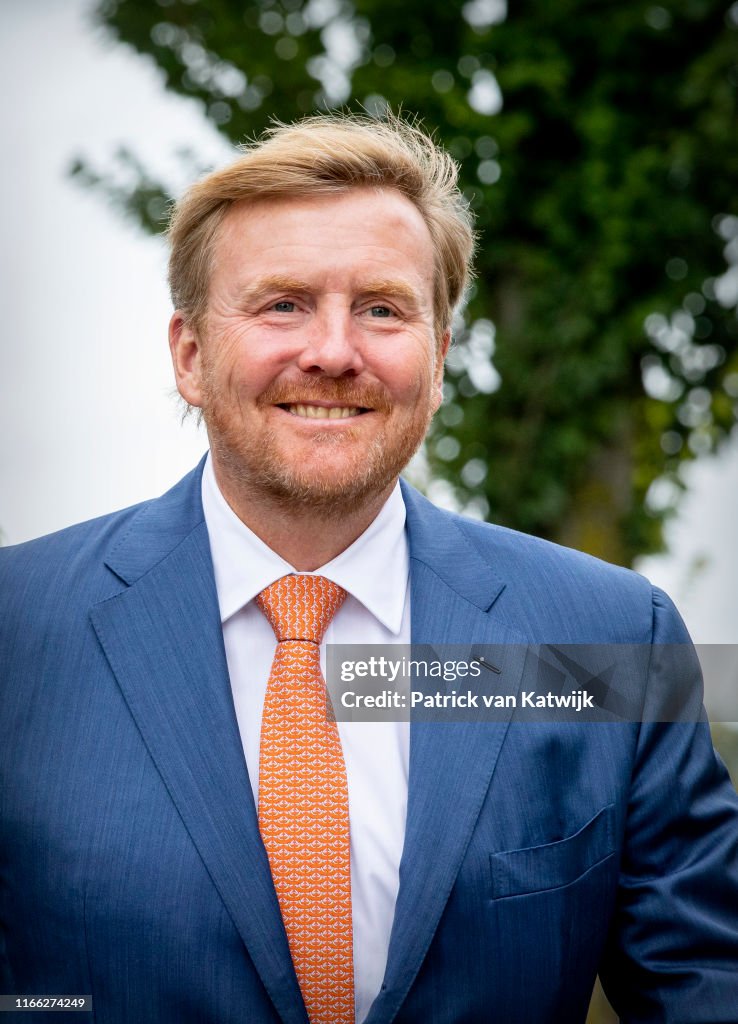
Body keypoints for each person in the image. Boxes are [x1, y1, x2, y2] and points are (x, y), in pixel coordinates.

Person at [1, 113, 737, 1024]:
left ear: (438, 359)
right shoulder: (17, 628)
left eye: (383, 309)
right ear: (189, 357)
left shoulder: (604, 637)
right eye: (283, 304)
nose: (335, 352)